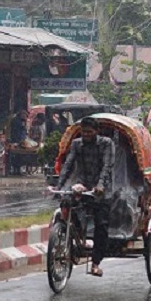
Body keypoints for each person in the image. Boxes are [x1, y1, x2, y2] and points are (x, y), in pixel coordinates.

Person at [53, 117, 115, 277]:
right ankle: (73, 241)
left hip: (102, 189)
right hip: (82, 185)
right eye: (83, 132)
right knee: (66, 204)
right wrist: (58, 186)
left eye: (89, 132)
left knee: (101, 224)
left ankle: (95, 263)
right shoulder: (77, 144)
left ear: (96, 131)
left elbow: (107, 166)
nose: (86, 135)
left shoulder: (106, 143)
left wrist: (100, 185)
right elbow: (68, 164)